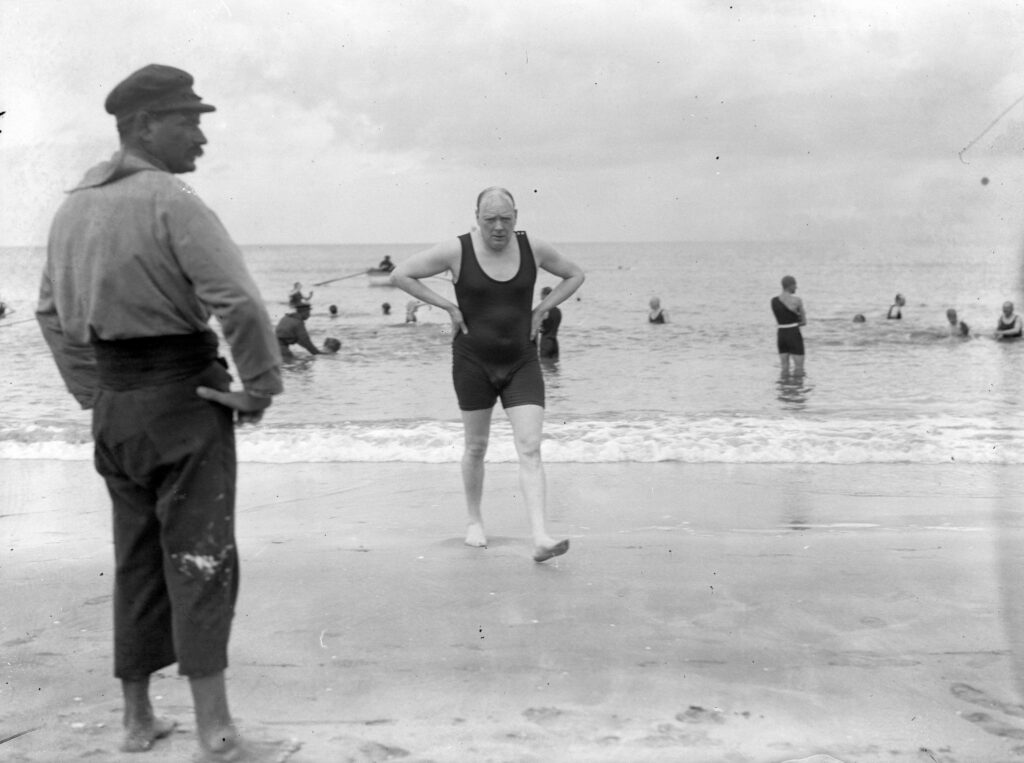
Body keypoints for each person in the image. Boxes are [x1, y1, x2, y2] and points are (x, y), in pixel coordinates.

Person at [35, 64, 292, 761]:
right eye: (189, 120)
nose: (202, 135)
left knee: (136, 560)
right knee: (202, 559)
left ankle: (137, 719)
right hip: (184, 399)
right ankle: (217, 732)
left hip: (115, 410)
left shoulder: (71, 207)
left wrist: (95, 392)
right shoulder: (171, 201)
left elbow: (50, 313)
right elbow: (238, 302)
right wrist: (260, 388)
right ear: (144, 125)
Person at [389, 186, 585, 562]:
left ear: (517, 216)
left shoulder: (534, 248)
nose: (498, 227)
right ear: (476, 217)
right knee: (476, 447)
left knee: (529, 446)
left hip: (521, 361)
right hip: (472, 362)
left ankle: (541, 536)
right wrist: (448, 305)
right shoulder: (456, 250)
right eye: (489, 219)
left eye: (506, 219)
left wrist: (542, 309)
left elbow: (575, 275)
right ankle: (474, 521)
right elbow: (402, 275)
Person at [771, 275, 806, 373]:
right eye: (795, 285)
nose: (796, 288)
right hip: (793, 333)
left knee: (784, 366)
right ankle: (797, 387)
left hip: (781, 334)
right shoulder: (797, 301)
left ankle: (784, 386)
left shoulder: (773, 301)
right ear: (790, 286)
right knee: (799, 368)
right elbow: (804, 322)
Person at [537, 286, 561, 360]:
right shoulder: (558, 311)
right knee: (554, 368)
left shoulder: (544, 311)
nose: (541, 298)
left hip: (546, 343)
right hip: (555, 343)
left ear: (546, 295)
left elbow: (539, 328)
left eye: (541, 295)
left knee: (545, 367)